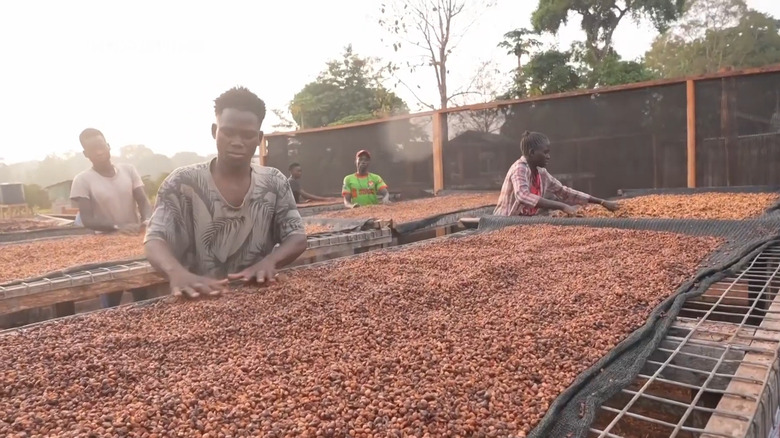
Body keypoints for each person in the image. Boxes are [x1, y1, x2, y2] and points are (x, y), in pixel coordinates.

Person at [144, 86, 307, 299]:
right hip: (197, 297)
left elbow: (297, 237)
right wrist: (177, 273)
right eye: (228, 132)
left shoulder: (274, 182)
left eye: (247, 135)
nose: (237, 142)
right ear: (215, 131)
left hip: (258, 294)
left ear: (259, 138)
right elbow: (154, 239)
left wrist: (270, 262)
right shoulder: (182, 183)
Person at [69, 128, 154, 309]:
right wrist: (117, 227)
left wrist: (147, 220)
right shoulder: (82, 180)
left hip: (134, 240)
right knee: (111, 298)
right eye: (93, 149)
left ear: (108, 146)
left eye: (101, 146)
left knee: (142, 294)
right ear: (86, 154)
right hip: (106, 247)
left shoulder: (128, 170)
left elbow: (143, 201)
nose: (99, 152)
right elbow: (87, 219)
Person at [494, 131, 619, 216]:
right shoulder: (519, 168)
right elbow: (523, 195)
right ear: (532, 153)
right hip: (503, 222)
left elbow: (563, 191)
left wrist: (601, 202)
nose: (548, 156)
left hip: (524, 223)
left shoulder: (541, 173)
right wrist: (562, 206)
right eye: (545, 152)